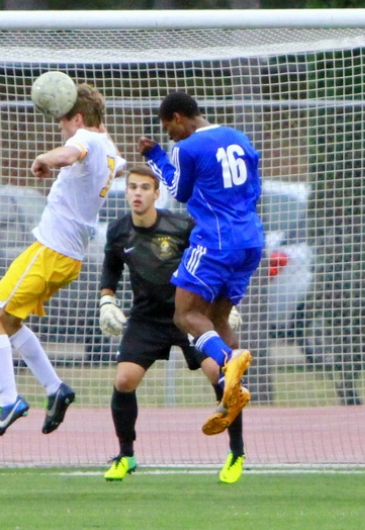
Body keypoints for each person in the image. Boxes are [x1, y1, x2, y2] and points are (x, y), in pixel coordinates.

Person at [0, 83, 126, 444]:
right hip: (66, 256)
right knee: (8, 321)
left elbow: (70, 153)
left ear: (78, 118)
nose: (60, 126)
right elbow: (117, 167)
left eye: (62, 119)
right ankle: (56, 388)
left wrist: (45, 158)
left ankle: (8, 400)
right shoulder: (106, 147)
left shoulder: (86, 140)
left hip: (50, 251)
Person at [98, 165, 246, 484]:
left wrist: (222, 307)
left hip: (191, 314)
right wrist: (106, 300)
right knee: (124, 380)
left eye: (144, 187)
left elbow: (212, 262)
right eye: (132, 187)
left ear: (156, 193)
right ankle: (126, 456)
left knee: (220, 375)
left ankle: (236, 454)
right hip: (146, 318)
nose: (137, 193)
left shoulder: (181, 226)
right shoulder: (119, 231)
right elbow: (111, 269)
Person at [138, 91, 264, 436]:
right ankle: (230, 391)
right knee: (218, 317)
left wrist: (155, 155)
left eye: (169, 128)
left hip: (215, 243)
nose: (170, 135)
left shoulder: (187, 148)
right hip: (251, 239)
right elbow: (255, 187)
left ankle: (227, 360)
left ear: (179, 117)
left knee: (185, 314)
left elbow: (178, 190)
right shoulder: (240, 137)